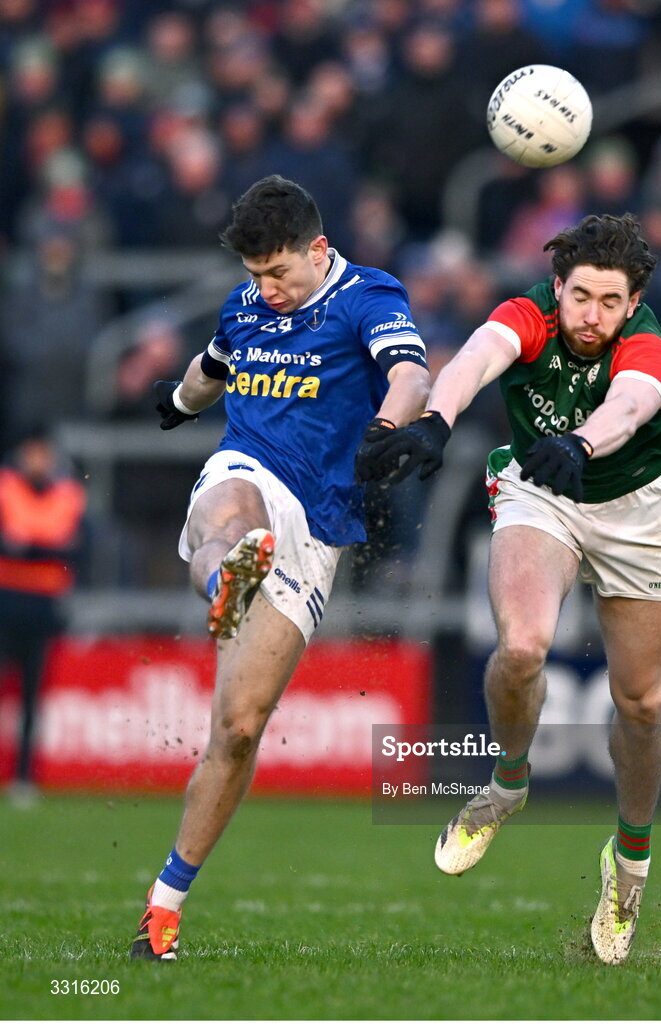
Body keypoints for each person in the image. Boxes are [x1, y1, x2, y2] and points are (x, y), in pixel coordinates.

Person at [362, 213, 661, 965]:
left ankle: (627, 866)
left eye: (608, 302)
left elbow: (632, 402)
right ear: (558, 287)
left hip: (633, 504)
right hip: (541, 488)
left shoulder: (648, 342)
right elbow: (477, 356)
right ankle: (507, 784)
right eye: (579, 298)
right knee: (521, 647)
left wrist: (580, 441)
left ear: (632, 301)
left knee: (642, 700)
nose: (590, 317)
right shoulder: (530, 312)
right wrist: (438, 420)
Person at [130, 175, 430, 961]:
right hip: (247, 470)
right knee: (226, 519)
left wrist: (392, 423)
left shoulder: (366, 296)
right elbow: (210, 367)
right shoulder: (245, 306)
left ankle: (164, 904)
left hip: (318, 524)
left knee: (236, 728)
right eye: (254, 276)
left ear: (318, 250)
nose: (265, 290)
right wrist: (180, 402)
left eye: (278, 274)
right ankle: (227, 573)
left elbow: (409, 372)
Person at [0, 430, 86, 805]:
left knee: (33, 697)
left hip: (42, 606)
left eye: (42, 454)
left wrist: (27, 546)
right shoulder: (7, 488)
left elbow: (73, 547)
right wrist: (44, 547)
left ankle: (24, 777)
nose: (37, 461)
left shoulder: (68, 495)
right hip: (5, 600)